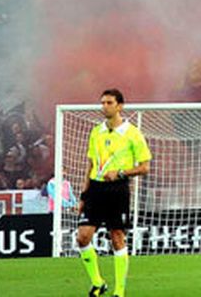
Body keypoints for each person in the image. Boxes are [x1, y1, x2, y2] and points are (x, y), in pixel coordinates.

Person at [75, 89, 151, 297]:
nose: (104, 106)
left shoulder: (132, 133)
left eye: (109, 103)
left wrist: (120, 172)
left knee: (117, 237)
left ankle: (119, 291)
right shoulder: (96, 132)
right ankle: (98, 283)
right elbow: (90, 165)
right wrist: (83, 195)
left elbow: (145, 167)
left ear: (120, 106)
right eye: (103, 103)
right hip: (96, 189)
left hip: (117, 190)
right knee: (82, 237)